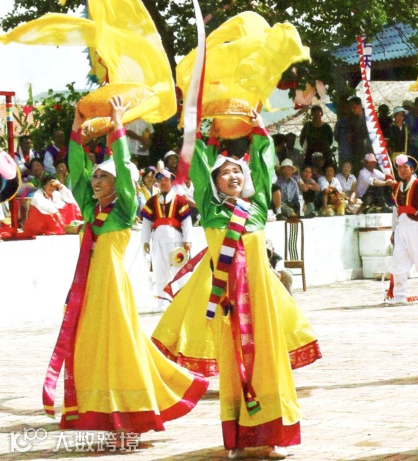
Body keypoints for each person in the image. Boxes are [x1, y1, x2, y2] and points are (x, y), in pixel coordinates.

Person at [151, 112, 320, 459]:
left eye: (237, 172)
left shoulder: (255, 209)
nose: (232, 176)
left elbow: (263, 165)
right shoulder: (211, 211)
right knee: (232, 369)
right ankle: (238, 439)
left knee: (269, 366)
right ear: (214, 182)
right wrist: (205, 133)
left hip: (261, 304)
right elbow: (198, 167)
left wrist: (258, 129)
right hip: (227, 306)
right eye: (224, 172)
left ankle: (274, 437)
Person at [42, 97, 208, 435]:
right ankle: (100, 408)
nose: (95, 181)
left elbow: (122, 162)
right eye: (96, 176)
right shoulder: (90, 210)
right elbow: (76, 171)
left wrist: (118, 126)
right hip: (89, 288)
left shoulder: (123, 209)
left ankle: (132, 411)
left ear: (118, 183)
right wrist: (76, 129)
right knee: (90, 345)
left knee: (121, 346)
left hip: (113, 289)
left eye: (103, 177)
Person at [139, 167, 194, 312]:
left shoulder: (180, 200)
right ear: (157, 183)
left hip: (175, 239)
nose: (163, 183)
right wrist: (145, 240)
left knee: (179, 268)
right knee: (159, 270)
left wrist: (187, 240)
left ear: (171, 182)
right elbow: (146, 222)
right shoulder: (152, 201)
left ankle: (184, 298)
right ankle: (163, 301)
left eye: (166, 180)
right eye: (160, 180)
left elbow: (187, 221)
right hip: (157, 240)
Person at [385, 154, 418, 304]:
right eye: (399, 168)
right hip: (401, 227)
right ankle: (400, 295)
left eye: (405, 167)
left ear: (412, 169)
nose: (402, 170)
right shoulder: (397, 188)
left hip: (416, 226)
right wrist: (393, 230)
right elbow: (395, 210)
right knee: (399, 260)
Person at [335, 95, 369, 173]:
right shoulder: (349, 120)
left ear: (360, 105)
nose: (352, 109)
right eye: (351, 107)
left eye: (354, 107)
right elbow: (342, 137)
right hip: (355, 151)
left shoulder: (368, 117)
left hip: (368, 150)